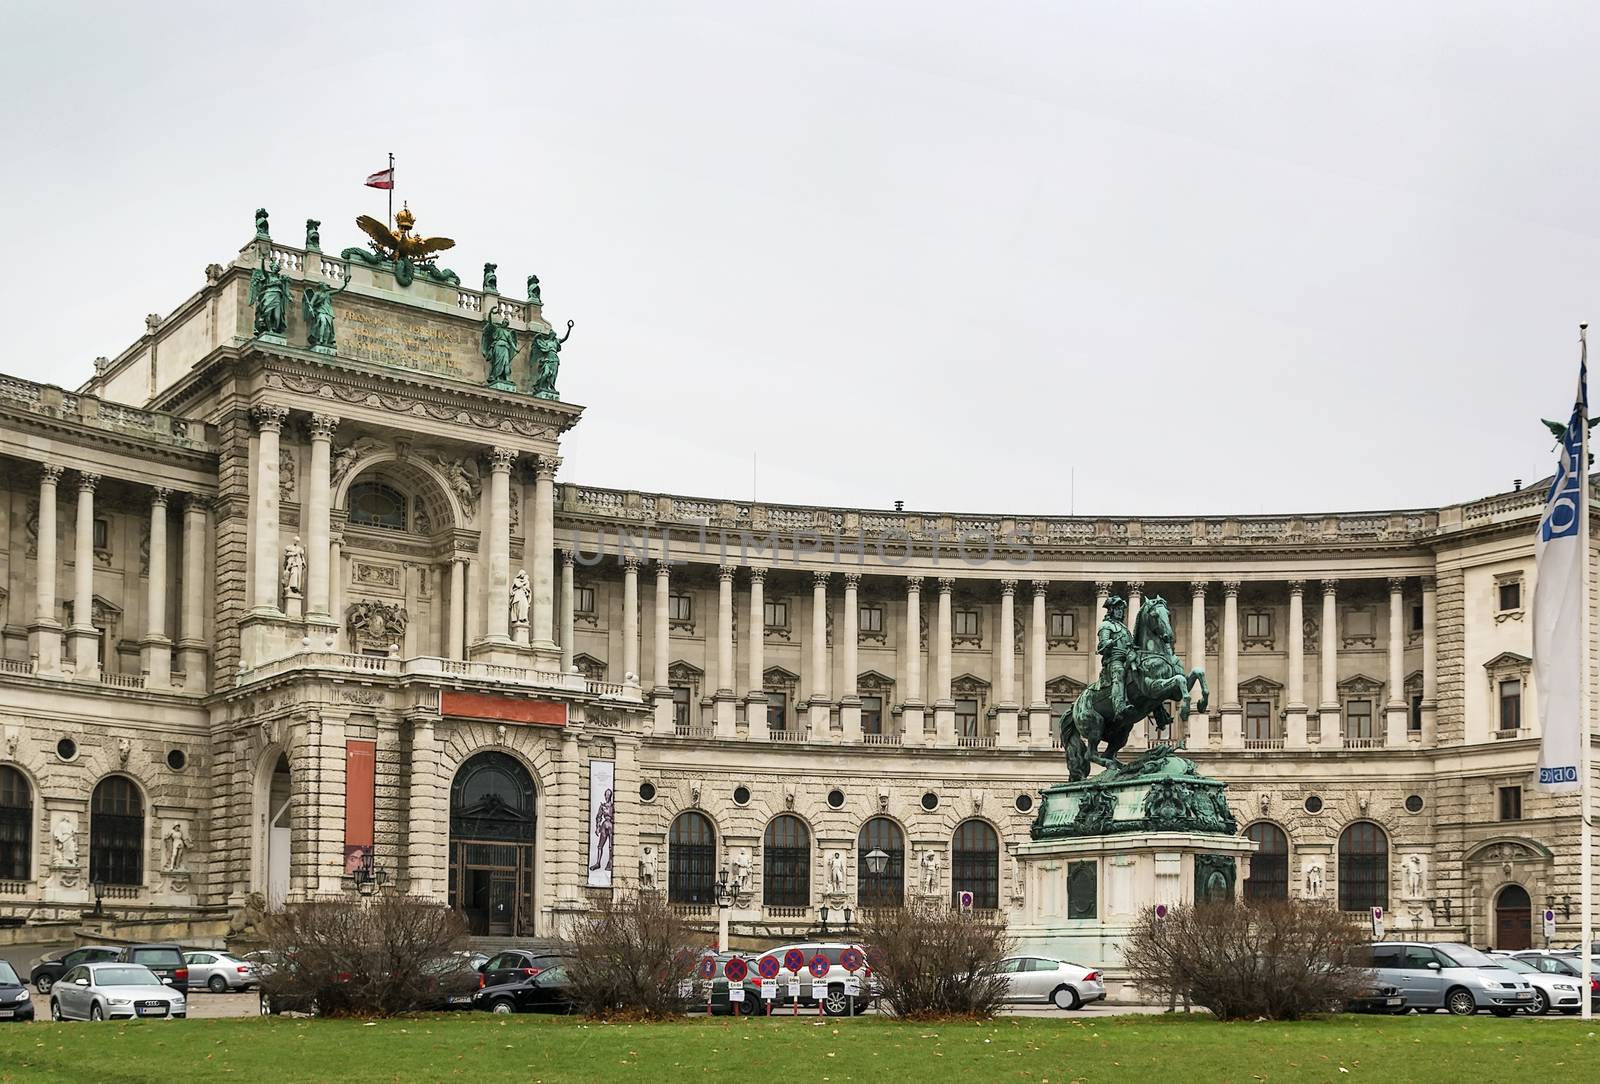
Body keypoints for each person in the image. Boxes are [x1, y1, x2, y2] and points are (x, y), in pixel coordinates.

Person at [1096, 595, 1133, 717]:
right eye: (1117, 608)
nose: (1120, 611)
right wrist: (1107, 643)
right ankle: (1119, 707)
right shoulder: (1106, 625)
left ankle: (1160, 713)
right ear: (1111, 610)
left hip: (1128, 658)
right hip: (1115, 660)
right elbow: (1101, 645)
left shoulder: (1124, 629)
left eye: (1121, 609)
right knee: (1119, 672)